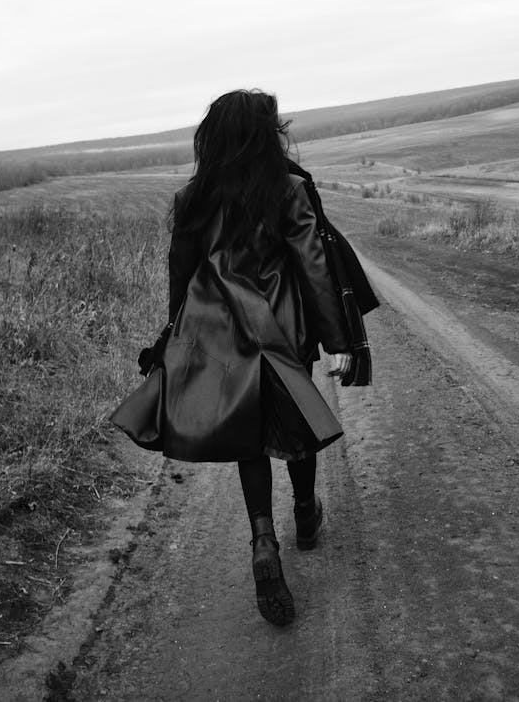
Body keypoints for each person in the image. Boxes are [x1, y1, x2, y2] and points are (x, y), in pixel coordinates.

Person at [154, 89, 369, 627]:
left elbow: (179, 279)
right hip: (283, 326)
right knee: (295, 417)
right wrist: (340, 339)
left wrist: (174, 340)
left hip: (220, 333)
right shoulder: (289, 189)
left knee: (249, 436)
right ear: (261, 134)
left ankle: (262, 540)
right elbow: (314, 267)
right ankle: (303, 513)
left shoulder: (192, 199)